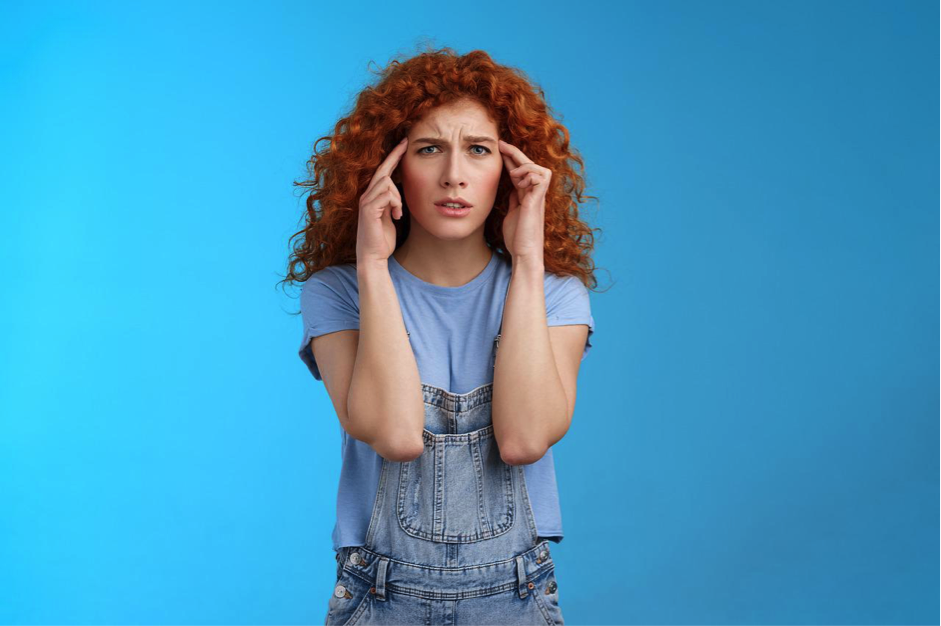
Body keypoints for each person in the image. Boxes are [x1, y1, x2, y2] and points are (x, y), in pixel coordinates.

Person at [283, 46, 599, 625]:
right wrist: (373, 266)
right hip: (378, 598)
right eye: (429, 149)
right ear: (390, 166)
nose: (454, 174)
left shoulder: (555, 294)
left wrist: (528, 260)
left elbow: (525, 439)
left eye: (478, 150)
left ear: (508, 168)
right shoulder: (338, 293)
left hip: (516, 597)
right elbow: (396, 434)